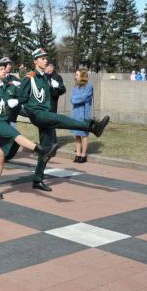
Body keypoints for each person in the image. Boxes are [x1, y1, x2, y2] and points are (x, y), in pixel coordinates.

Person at [18, 48, 110, 191]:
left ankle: (37, 179)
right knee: (60, 119)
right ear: (35, 61)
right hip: (38, 114)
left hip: (46, 114)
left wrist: (57, 87)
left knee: (47, 150)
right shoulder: (29, 78)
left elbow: (55, 93)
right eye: (42, 58)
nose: (45, 60)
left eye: (46, 58)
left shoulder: (46, 78)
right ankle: (92, 127)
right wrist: (30, 113)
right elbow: (21, 99)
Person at [0, 58, 58, 199]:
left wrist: (19, 97)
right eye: (0, 69)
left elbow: (23, 95)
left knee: (0, 157)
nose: (4, 70)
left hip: (4, 122)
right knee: (15, 134)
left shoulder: (10, 86)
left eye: (4, 68)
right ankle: (41, 149)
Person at [70, 68, 93, 163]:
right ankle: (78, 154)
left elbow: (83, 98)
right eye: (76, 75)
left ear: (82, 76)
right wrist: (76, 99)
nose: (75, 76)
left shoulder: (88, 86)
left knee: (84, 135)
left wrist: (76, 99)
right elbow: (72, 99)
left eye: (77, 75)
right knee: (76, 134)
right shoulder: (75, 87)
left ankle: (83, 155)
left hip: (84, 114)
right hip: (75, 113)